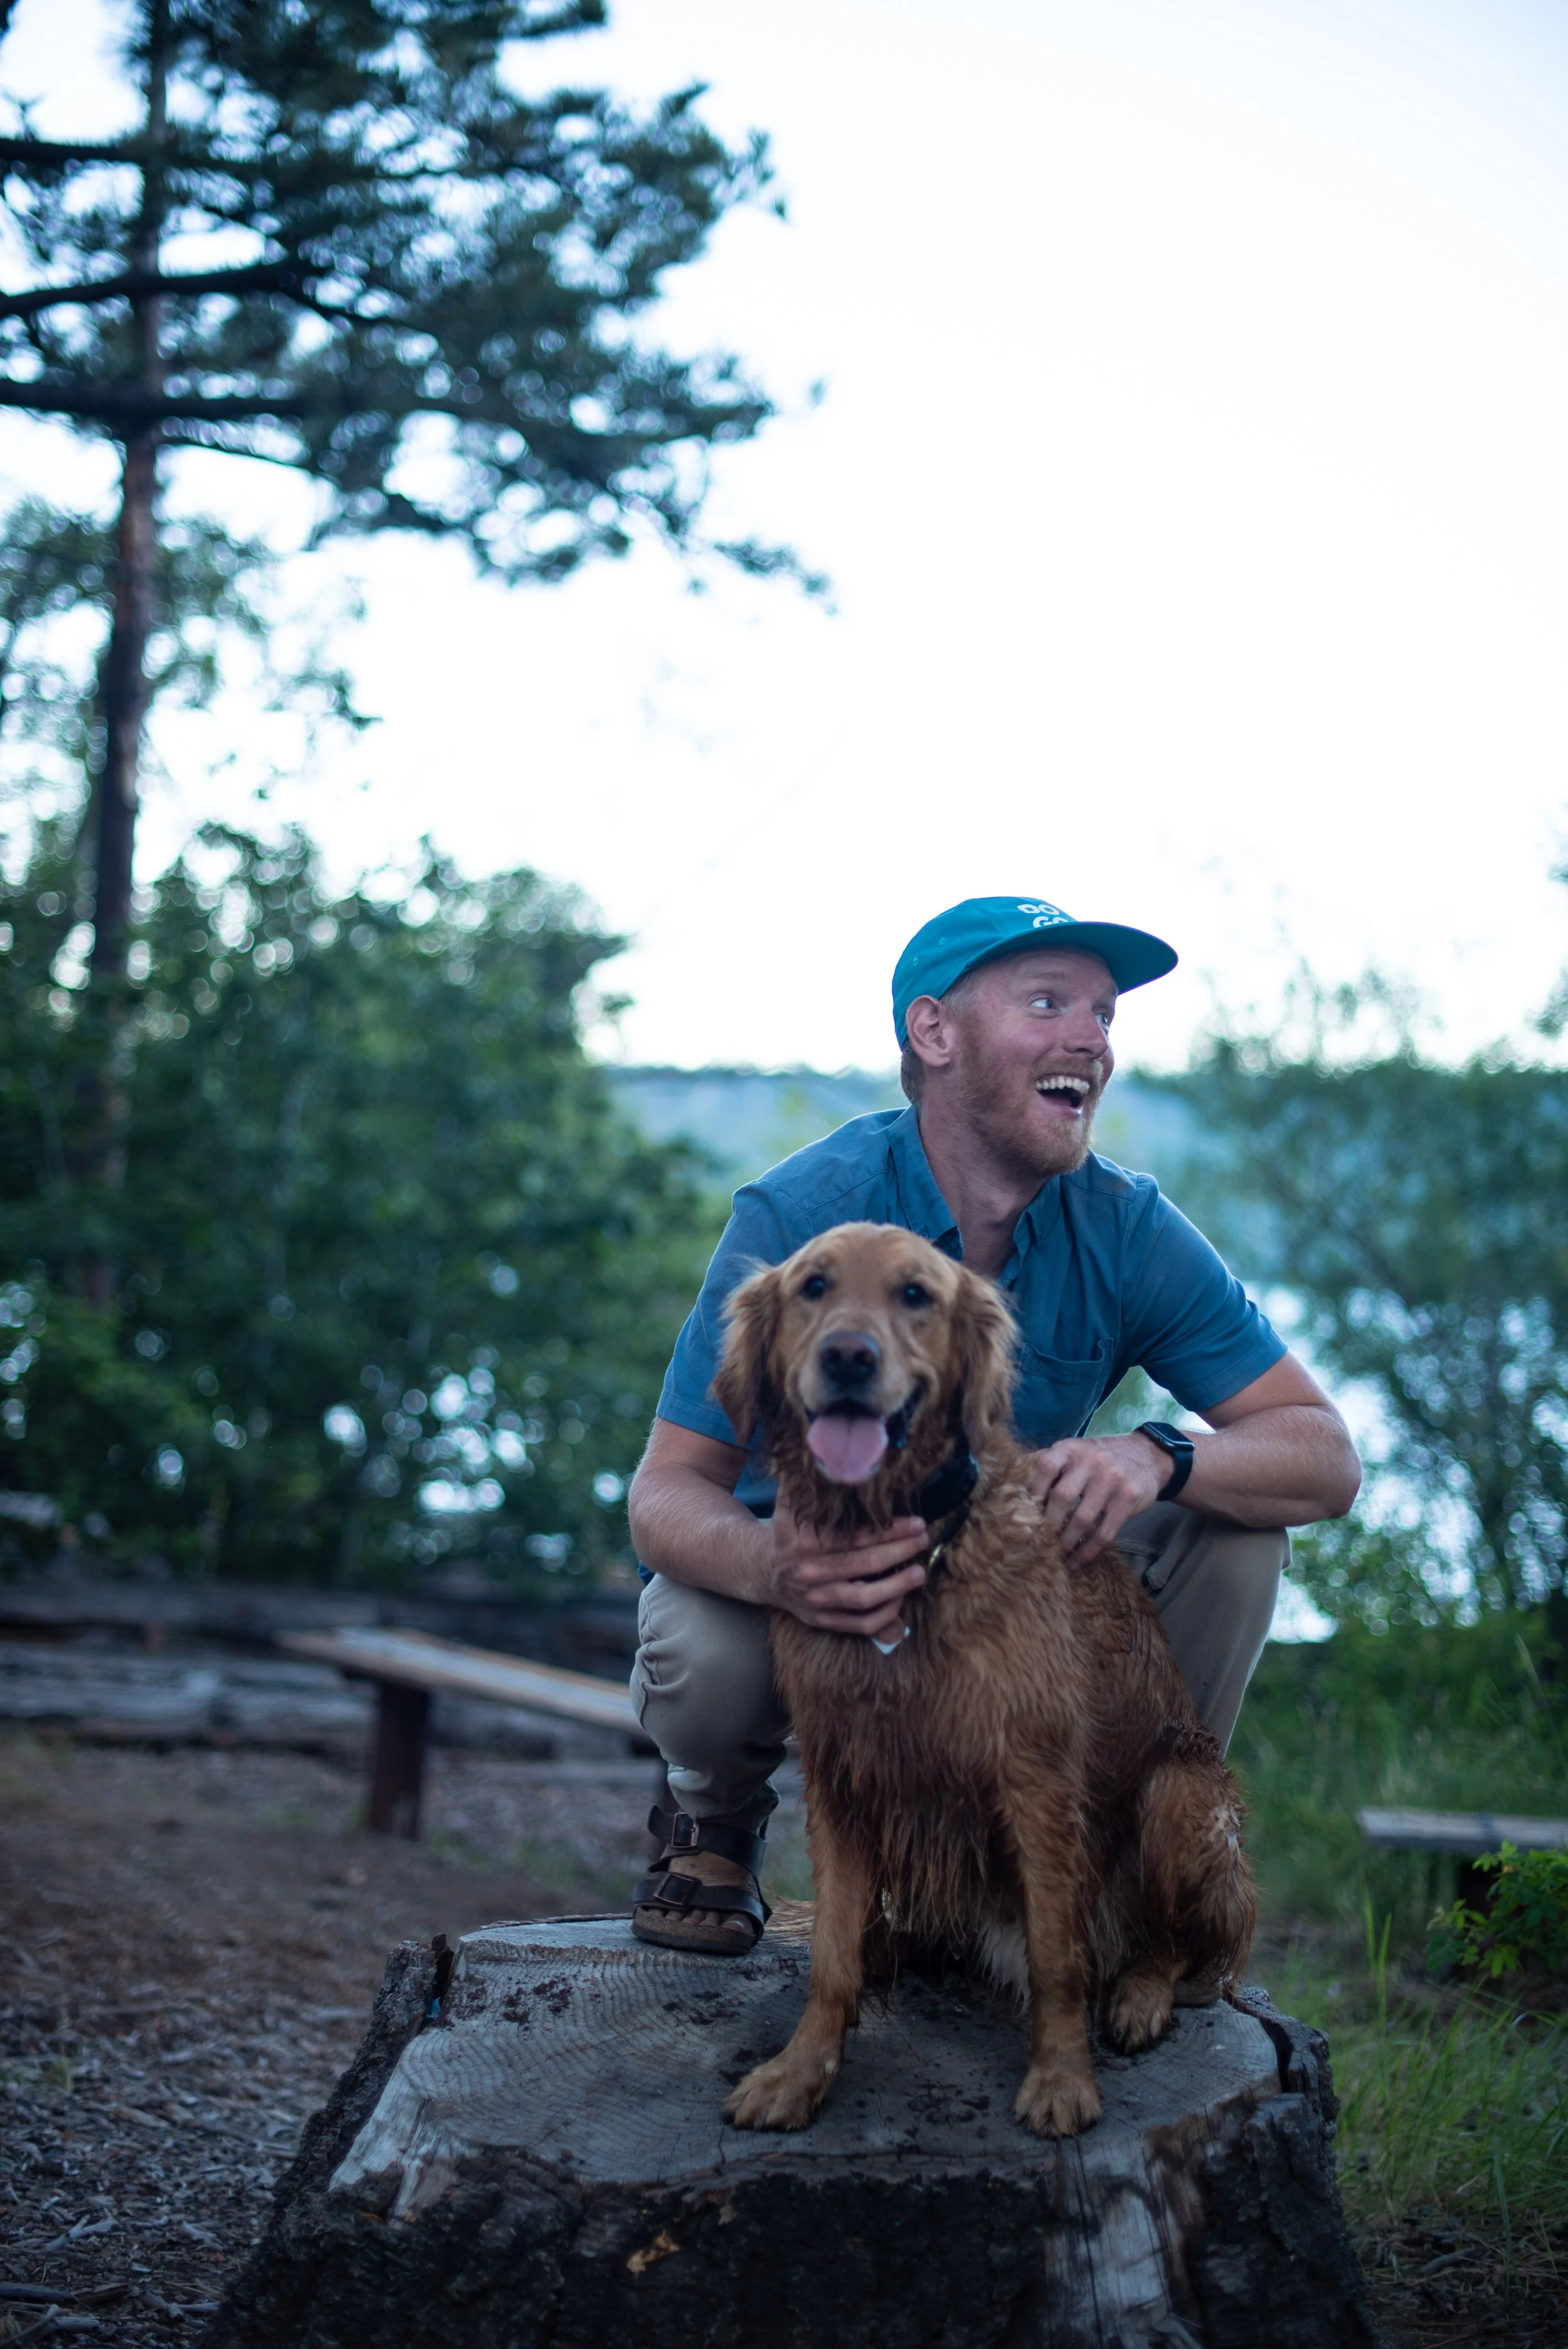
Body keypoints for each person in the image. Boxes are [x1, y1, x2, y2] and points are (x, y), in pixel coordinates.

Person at [625, 896, 1361, 1953]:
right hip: (810, 1577)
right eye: (1048, 1003)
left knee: (1235, 1528)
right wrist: (770, 1564)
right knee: (704, 1643)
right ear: (935, 1034)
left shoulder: (1126, 1226)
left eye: (1104, 1016)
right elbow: (663, 1491)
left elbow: (1324, 1455)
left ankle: (1122, 1857)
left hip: (998, 1580)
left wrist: (1161, 1454)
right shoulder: (803, 1215)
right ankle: (714, 1826)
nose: (1090, 1041)